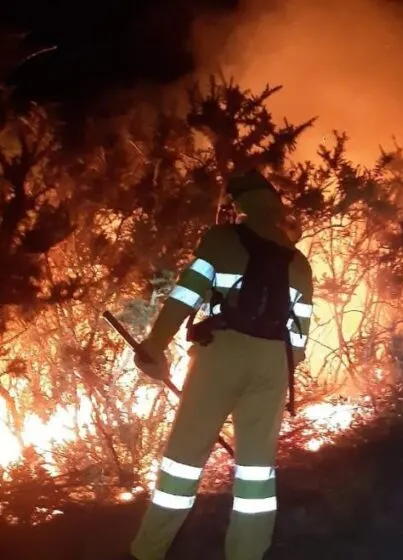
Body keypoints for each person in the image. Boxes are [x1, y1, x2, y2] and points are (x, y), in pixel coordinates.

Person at [128, 169, 314, 560]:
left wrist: (156, 343)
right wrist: (277, 374)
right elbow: (298, 342)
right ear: (273, 205)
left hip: (221, 355)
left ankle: (148, 551)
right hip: (272, 365)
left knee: (183, 461)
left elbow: (185, 295)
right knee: (256, 471)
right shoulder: (299, 262)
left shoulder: (221, 239)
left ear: (238, 204)